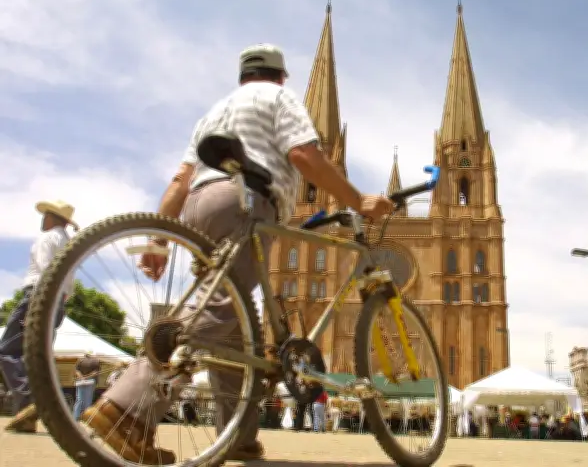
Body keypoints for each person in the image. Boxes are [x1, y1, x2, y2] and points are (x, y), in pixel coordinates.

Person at [80, 43, 394, 464]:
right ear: (280, 76)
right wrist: (357, 200)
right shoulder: (278, 97)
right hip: (244, 203)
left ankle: (238, 435)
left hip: (199, 205)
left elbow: (180, 180)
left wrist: (159, 239)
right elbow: (304, 154)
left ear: (243, 75)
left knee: (235, 329)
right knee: (219, 309)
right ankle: (126, 409)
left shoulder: (216, 112)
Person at [0, 199, 77, 433]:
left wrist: (41, 299)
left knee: (9, 350)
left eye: (46, 215)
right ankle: (29, 415)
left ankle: (27, 402)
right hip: (58, 300)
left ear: (53, 218)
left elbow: (46, 269)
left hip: (39, 294)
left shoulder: (47, 238)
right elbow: (69, 282)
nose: (42, 219)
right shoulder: (70, 243)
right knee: (38, 355)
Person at [73, 351, 100, 420]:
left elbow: (76, 371)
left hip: (80, 381)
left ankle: (76, 417)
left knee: (79, 399)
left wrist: (81, 377)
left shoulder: (80, 360)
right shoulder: (95, 361)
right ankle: (86, 417)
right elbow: (95, 372)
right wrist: (87, 377)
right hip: (90, 382)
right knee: (88, 400)